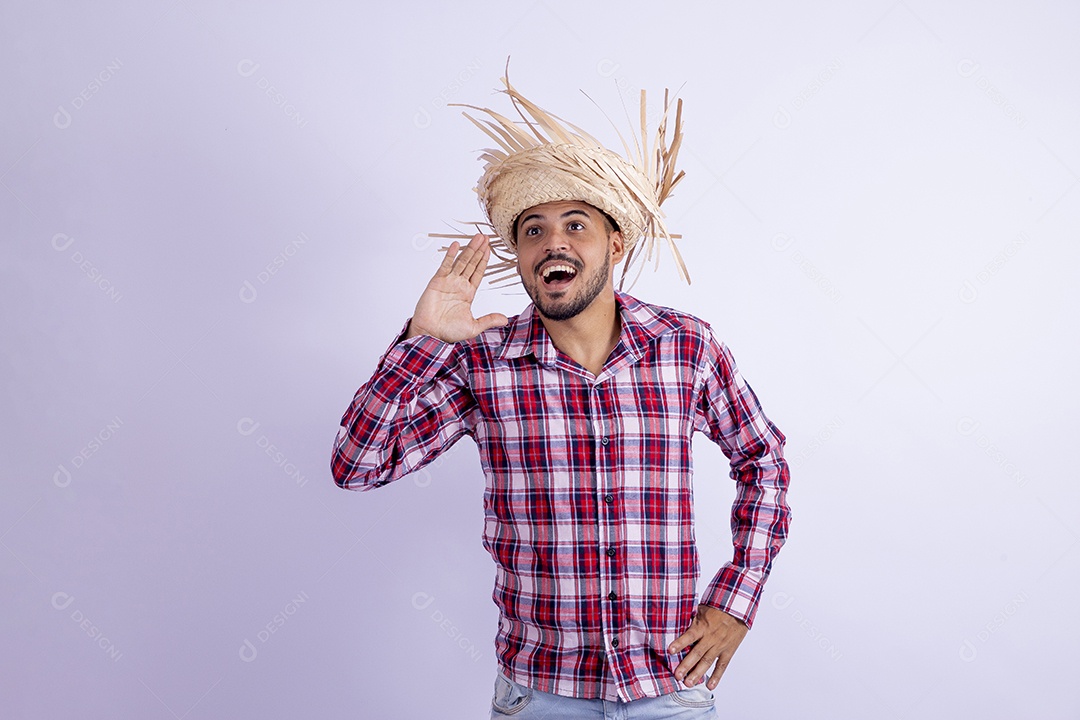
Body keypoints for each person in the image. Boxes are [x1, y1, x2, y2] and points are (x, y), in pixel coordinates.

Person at [331, 76, 791, 719]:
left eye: (577, 224)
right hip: (540, 696)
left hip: (668, 690)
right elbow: (357, 466)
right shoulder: (482, 363)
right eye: (534, 230)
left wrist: (735, 602)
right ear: (520, 255)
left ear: (615, 244)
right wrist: (422, 342)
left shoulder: (684, 346)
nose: (554, 242)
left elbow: (763, 461)